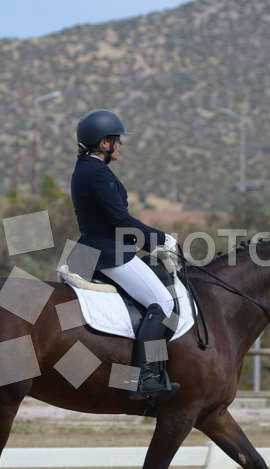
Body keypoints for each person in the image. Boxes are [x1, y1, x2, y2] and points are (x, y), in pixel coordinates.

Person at [69, 109, 180, 411]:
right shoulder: (96, 173)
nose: (120, 145)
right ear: (103, 143)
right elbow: (119, 221)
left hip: (93, 249)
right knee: (163, 303)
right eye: (116, 140)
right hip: (109, 253)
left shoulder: (86, 169)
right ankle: (146, 377)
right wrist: (160, 240)